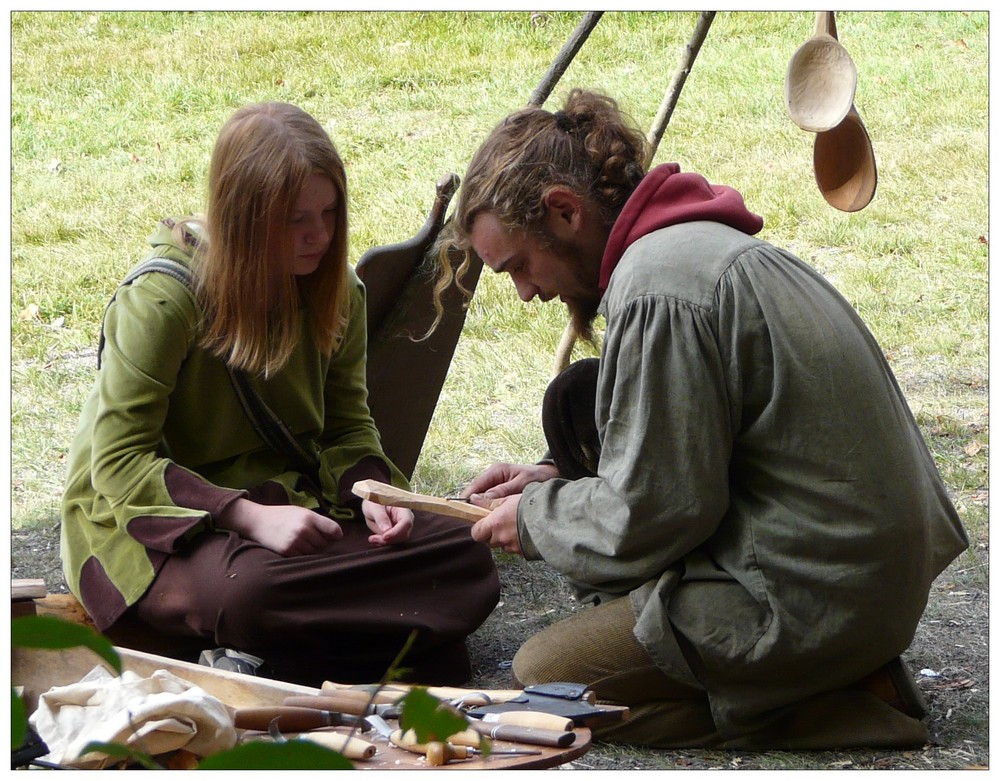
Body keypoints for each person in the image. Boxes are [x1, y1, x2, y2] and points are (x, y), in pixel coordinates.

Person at [431, 89, 968, 749]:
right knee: (580, 396)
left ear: (564, 211)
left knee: (546, 679)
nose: (526, 291)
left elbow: (656, 508)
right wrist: (549, 479)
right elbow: (676, 446)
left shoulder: (661, 288)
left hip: (817, 593)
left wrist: (538, 517)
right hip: (853, 572)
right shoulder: (685, 249)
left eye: (518, 265)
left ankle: (838, 699)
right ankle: (812, 675)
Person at [61, 102, 499, 687]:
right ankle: (360, 648)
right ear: (243, 217)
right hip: (163, 526)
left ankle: (276, 660)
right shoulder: (162, 302)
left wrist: (372, 492)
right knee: (253, 591)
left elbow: (348, 427)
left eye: (328, 212)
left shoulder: (337, 291)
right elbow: (116, 465)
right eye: (294, 218)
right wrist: (247, 517)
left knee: (464, 556)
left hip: (292, 508)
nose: (318, 235)